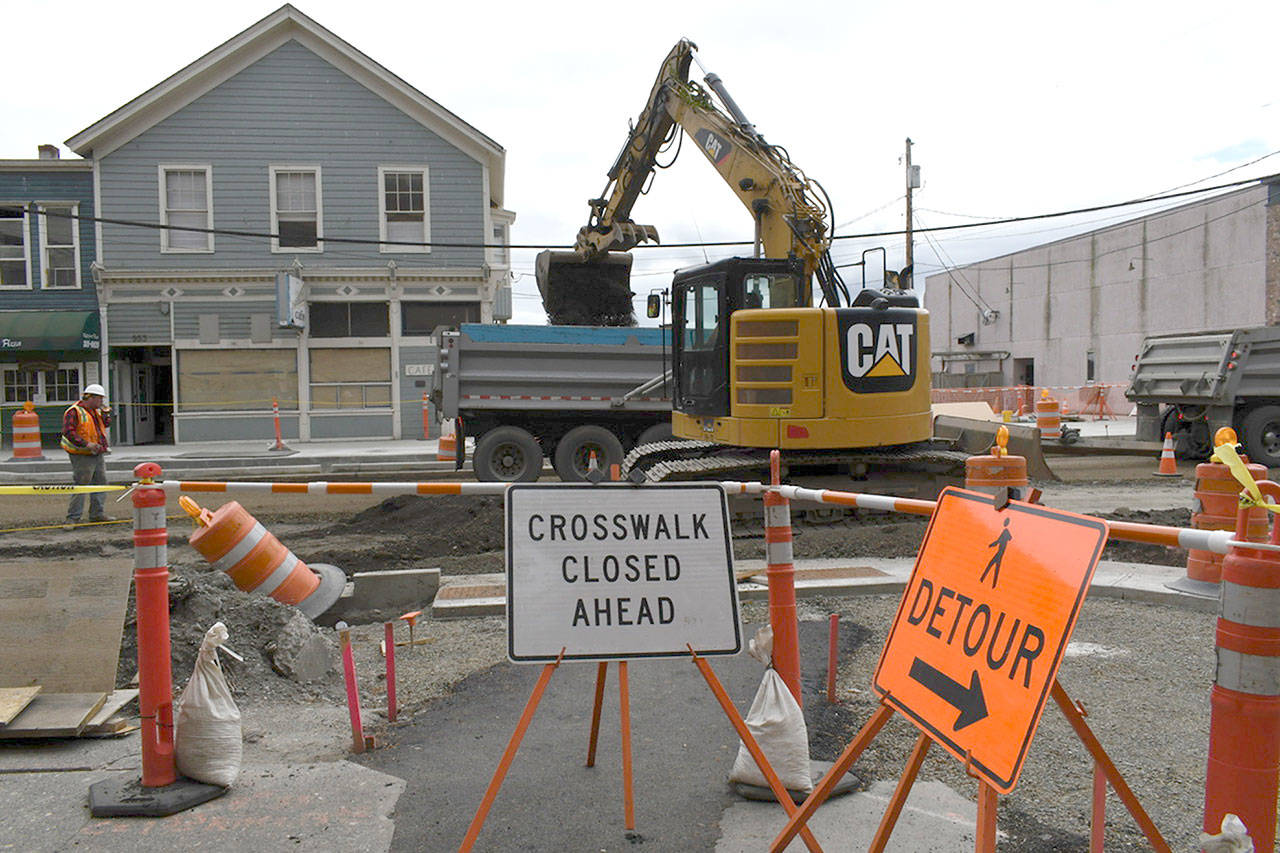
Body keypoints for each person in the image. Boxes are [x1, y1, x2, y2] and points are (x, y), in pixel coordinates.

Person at [62, 383, 112, 525]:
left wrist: (106, 414)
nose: (101, 402)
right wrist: (87, 444)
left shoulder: (95, 411)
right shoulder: (74, 411)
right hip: (82, 454)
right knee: (82, 484)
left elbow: (105, 425)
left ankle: (97, 513)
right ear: (90, 397)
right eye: (100, 399)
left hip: (96, 452)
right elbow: (68, 432)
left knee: (100, 483)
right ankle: (73, 517)